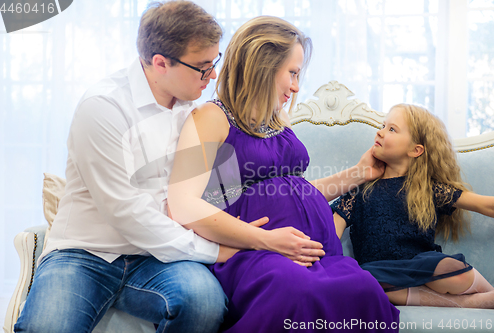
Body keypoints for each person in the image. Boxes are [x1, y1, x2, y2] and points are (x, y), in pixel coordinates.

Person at [12, 2, 288, 332]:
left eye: (214, 63)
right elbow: (128, 213)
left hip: (157, 260)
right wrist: (215, 250)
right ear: (160, 64)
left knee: (204, 303)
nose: (212, 75)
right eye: (202, 67)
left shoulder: (197, 114)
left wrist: (247, 227)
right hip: (86, 254)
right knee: (47, 327)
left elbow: (217, 191)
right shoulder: (103, 108)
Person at [168, 16, 400, 332]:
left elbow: (296, 191)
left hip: (317, 253)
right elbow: (182, 204)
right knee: (297, 293)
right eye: (291, 73)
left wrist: (360, 172)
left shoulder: (279, 120)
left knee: (365, 288)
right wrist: (266, 240)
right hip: (255, 253)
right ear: (262, 66)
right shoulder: (211, 117)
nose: (296, 85)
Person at [331, 103, 494, 308]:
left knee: (452, 269)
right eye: (383, 126)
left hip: (421, 266)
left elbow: (486, 205)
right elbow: (330, 234)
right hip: (378, 272)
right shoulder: (359, 190)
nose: (380, 132)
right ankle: (472, 302)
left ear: (415, 150)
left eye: (391, 129)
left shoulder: (430, 189)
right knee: (365, 281)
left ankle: (489, 292)